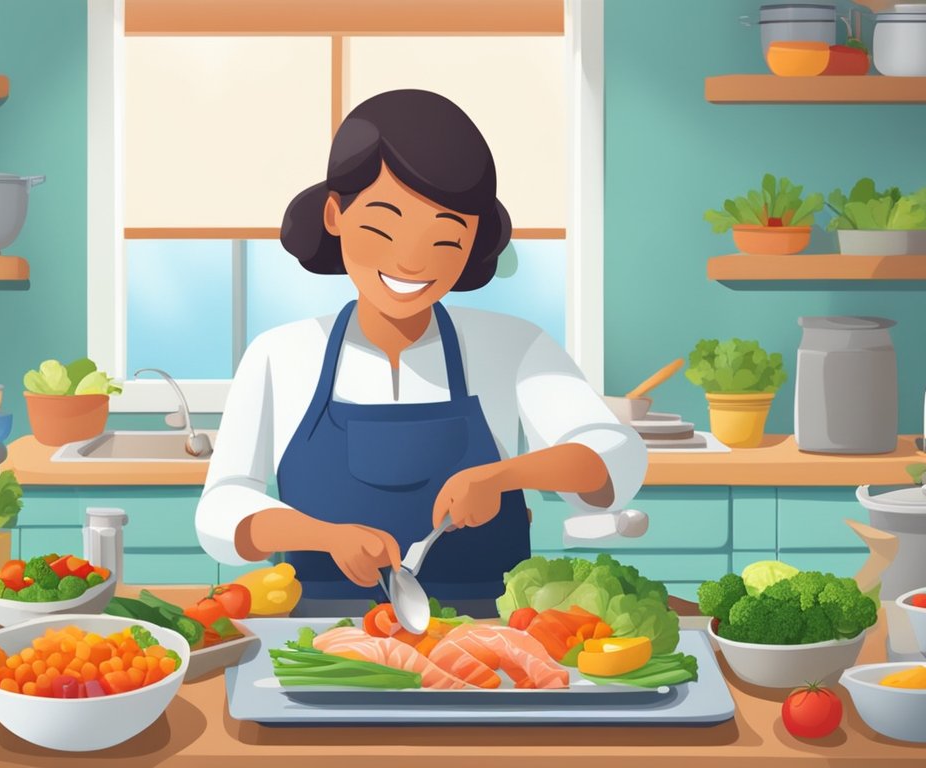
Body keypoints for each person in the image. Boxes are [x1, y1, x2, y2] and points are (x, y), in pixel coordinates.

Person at [196, 89, 646, 617]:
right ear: (335, 214)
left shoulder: (513, 345)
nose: (411, 261)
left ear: (475, 240)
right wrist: (323, 536)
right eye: (384, 224)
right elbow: (221, 507)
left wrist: (500, 477)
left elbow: (614, 456)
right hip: (320, 630)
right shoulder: (280, 353)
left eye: (445, 238)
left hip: (491, 636)